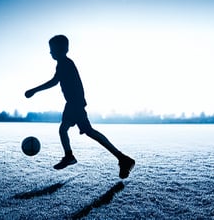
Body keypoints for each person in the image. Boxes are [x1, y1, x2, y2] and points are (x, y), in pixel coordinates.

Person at [25, 35, 135, 179]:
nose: (50, 53)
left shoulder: (65, 63)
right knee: (76, 130)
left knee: (74, 130)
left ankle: (120, 158)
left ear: (63, 49)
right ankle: (121, 158)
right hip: (73, 103)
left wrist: (34, 90)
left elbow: (54, 82)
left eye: (52, 50)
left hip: (74, 104)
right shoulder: (64, 63)